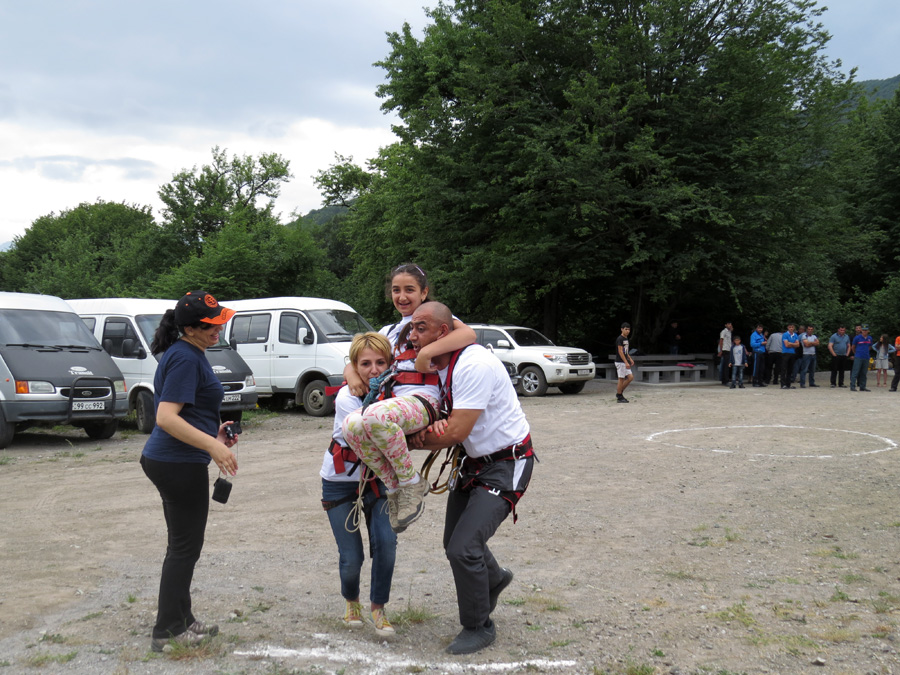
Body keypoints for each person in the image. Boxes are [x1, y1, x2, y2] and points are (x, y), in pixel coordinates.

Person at [409, 302, 535, 655]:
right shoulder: (446, 360)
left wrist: (405, 441)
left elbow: (456, 431)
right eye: (412, 329)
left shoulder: (473, 364)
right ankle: (494, 578)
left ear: (443, 333)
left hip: (506, 464)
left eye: (421, 328)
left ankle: (479, 626)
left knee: (463, 548)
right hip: (474, 461)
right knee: (455, 541)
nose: (413, 336)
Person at [342, 263, 476, 533]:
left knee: (374, 417)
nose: (402, 296)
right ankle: (394, 489)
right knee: (351, 426)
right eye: (396, 290)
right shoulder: (388, 331)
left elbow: (469, 334)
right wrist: (352, 374)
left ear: (424, 292)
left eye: (409, 290)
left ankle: (410, 481)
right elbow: (357, 356)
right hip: (394, 401)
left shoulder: (434, 320)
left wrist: (426, 354)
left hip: (424, 399)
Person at [140, 291, 238, 652]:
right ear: (190, 328)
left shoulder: (190, 353)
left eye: (218, 321)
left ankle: (182, 619)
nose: (218, 329)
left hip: (177, 459)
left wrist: (214, 434)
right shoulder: (184, 357)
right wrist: (211, 447)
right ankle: (166, 630)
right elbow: (165, 417)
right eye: (210, 325)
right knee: (184, 548)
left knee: (184, 546)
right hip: (175, 463)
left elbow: (187, 412)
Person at [322, 332, 397, 636]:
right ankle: (351, 601)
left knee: (387, 544)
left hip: (378, 481)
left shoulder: (397, 392)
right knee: (352, 557)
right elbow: (370, 432)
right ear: (354, 365)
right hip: (341, 482)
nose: (374, 369)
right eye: (364, 364)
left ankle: (378, 608)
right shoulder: (346, 398)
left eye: (381, 362)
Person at [615, 323, 635, 403]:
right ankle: (619, 396)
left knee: (630, 377)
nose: (627, 331)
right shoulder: (620, 339)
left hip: (625, 361)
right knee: (621, 378)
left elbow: (625, 351)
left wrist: (630, 358)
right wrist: (626, 362)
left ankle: (619, 392)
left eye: (629, 329)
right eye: (626, 329)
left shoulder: (626, 339)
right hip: (620, 362)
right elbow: (620, 351)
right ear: (622, 329)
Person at [850, 325, 873, 392]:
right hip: (858, 356)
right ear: (861, 331)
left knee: (864, 372)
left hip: (866, 357)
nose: (864, 331)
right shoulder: (857, 338)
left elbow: (870, 347)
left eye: (866, 330)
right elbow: (853, 347)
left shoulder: (869, 338)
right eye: (863, 330)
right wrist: (856, 353)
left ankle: (862, 386)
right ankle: (852, 386)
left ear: (868, 331)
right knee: (855, 372)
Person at [780, 324, 800, 389]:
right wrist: (793, 344)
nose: (791, 328)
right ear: (788, 328)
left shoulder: (795, 335)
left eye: (792, 327)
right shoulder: (785, 334)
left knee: (790, 369)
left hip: (792, 353)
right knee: (784, 369)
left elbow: (798, 345)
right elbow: (786, 345)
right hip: (786, 353)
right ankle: (783, 384)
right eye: (790, 327)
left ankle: (788, 384)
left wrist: (790, 343)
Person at [718, 321, 733, 385]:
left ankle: (724, 380)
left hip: (729, 349)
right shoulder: (723, 332)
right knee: (726, 366)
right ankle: (725, 380)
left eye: (731, 324)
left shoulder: (729, 332)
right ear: (725, 325)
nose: (730, 325)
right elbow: (721, 341)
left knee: (727, 365)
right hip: (725, 349)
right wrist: (720, 350)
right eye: (729, 324)